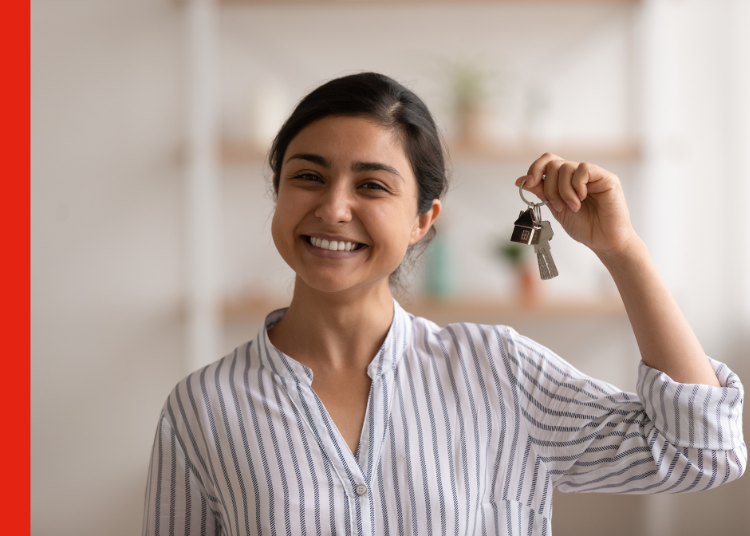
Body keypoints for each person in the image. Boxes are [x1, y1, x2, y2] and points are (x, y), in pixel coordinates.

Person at [142, 72, 745, 536]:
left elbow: (703, 452)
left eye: (372, 185)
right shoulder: (202, 408)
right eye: (308, 176)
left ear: (422, 219)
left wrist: (621, 250)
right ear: (278, 194)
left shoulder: (499, 369)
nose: (333, 208)